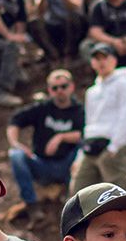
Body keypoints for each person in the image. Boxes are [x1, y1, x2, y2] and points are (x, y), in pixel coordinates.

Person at [7, 69, 85, 217]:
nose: (60, 91)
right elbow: (14, 120)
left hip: (67, 165)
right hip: (41, 164)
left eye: (63, 86)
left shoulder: (79, 110)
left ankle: (72, 199)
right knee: (16, 155)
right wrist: (15, 143)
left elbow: (84, 133)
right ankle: (31, 204)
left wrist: (61, 137)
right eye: (55, 88)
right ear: (49, 90)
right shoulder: (42, 108)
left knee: (83, 149)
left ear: (71, 87)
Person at [72, 43, 126, 193]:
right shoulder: (92, 91)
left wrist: (114, 147)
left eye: (105, 57)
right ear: (92, 63)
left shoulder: (125, 85)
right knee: (80, 193)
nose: (101, 62)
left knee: (118, 193)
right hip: (90, 147)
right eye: (97, 58)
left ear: (114, 60)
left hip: (111, 146)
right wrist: (80, 154)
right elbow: (88, 123)